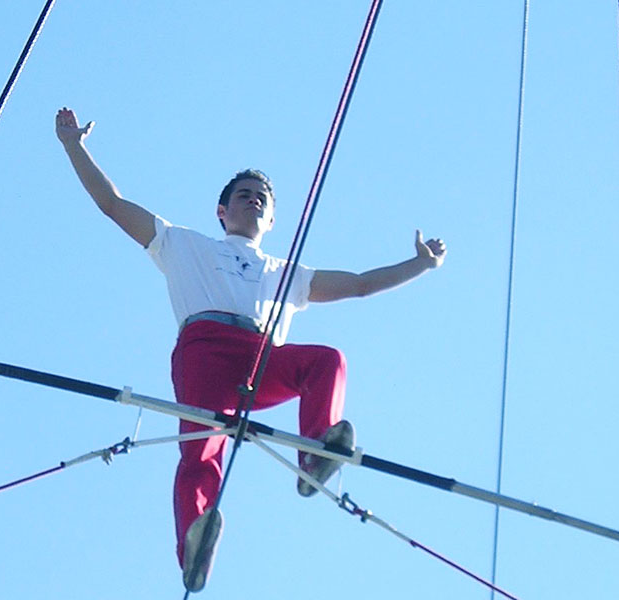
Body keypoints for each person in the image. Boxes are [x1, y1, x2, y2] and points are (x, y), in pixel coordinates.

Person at [54, 107, 446, 592]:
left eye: (262, 198)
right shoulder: (181, 244)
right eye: (244, 195)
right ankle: (195, 543)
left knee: (327, 361)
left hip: (261, 355)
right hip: (205, 350)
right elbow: (113, 205)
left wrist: (419, 266)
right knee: (201, 447)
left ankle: (316, 455)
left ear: (273, 217)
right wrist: (75, 146)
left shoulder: (286, 274)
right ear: (222, 210)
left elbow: (361, 285)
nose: (254, 201)